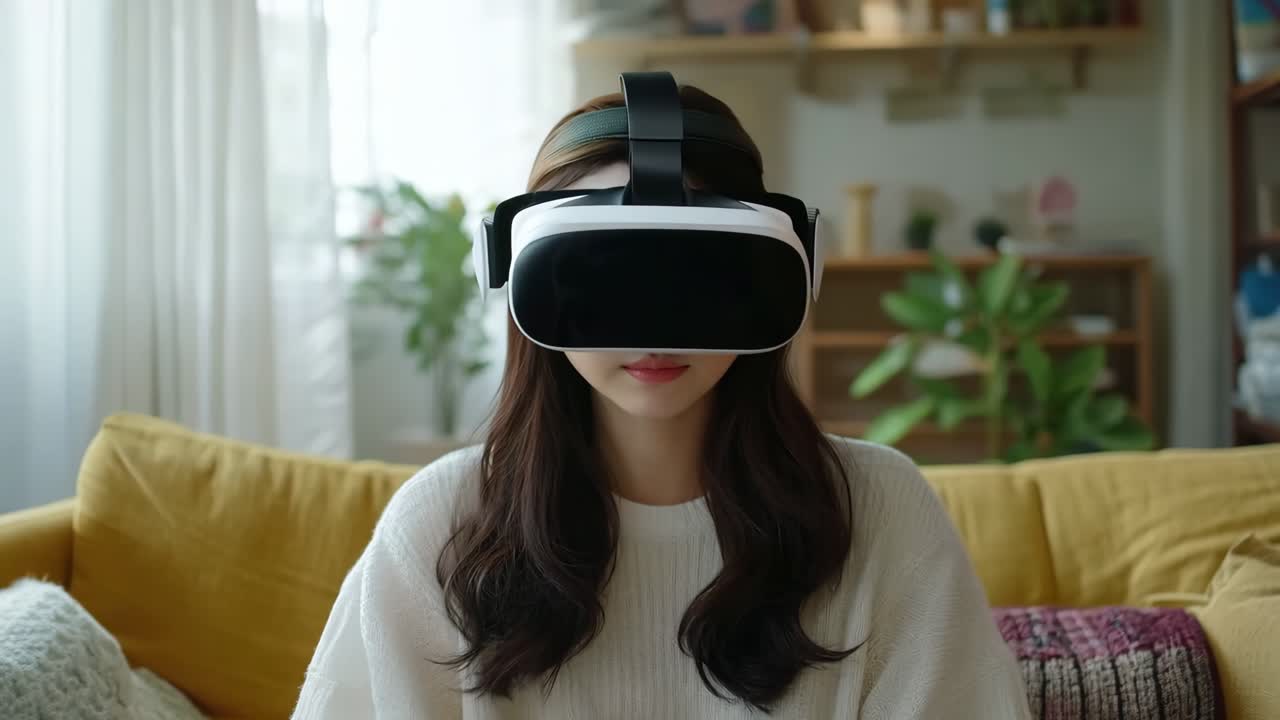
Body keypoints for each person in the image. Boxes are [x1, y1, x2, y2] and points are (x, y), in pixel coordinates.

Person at [293, 85, 1031, 719]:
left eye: (694, 277)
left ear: (776, 275)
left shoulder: (877, 511)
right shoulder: (443, 527)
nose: (653, 329)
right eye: (610, 275)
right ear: (527, 278)